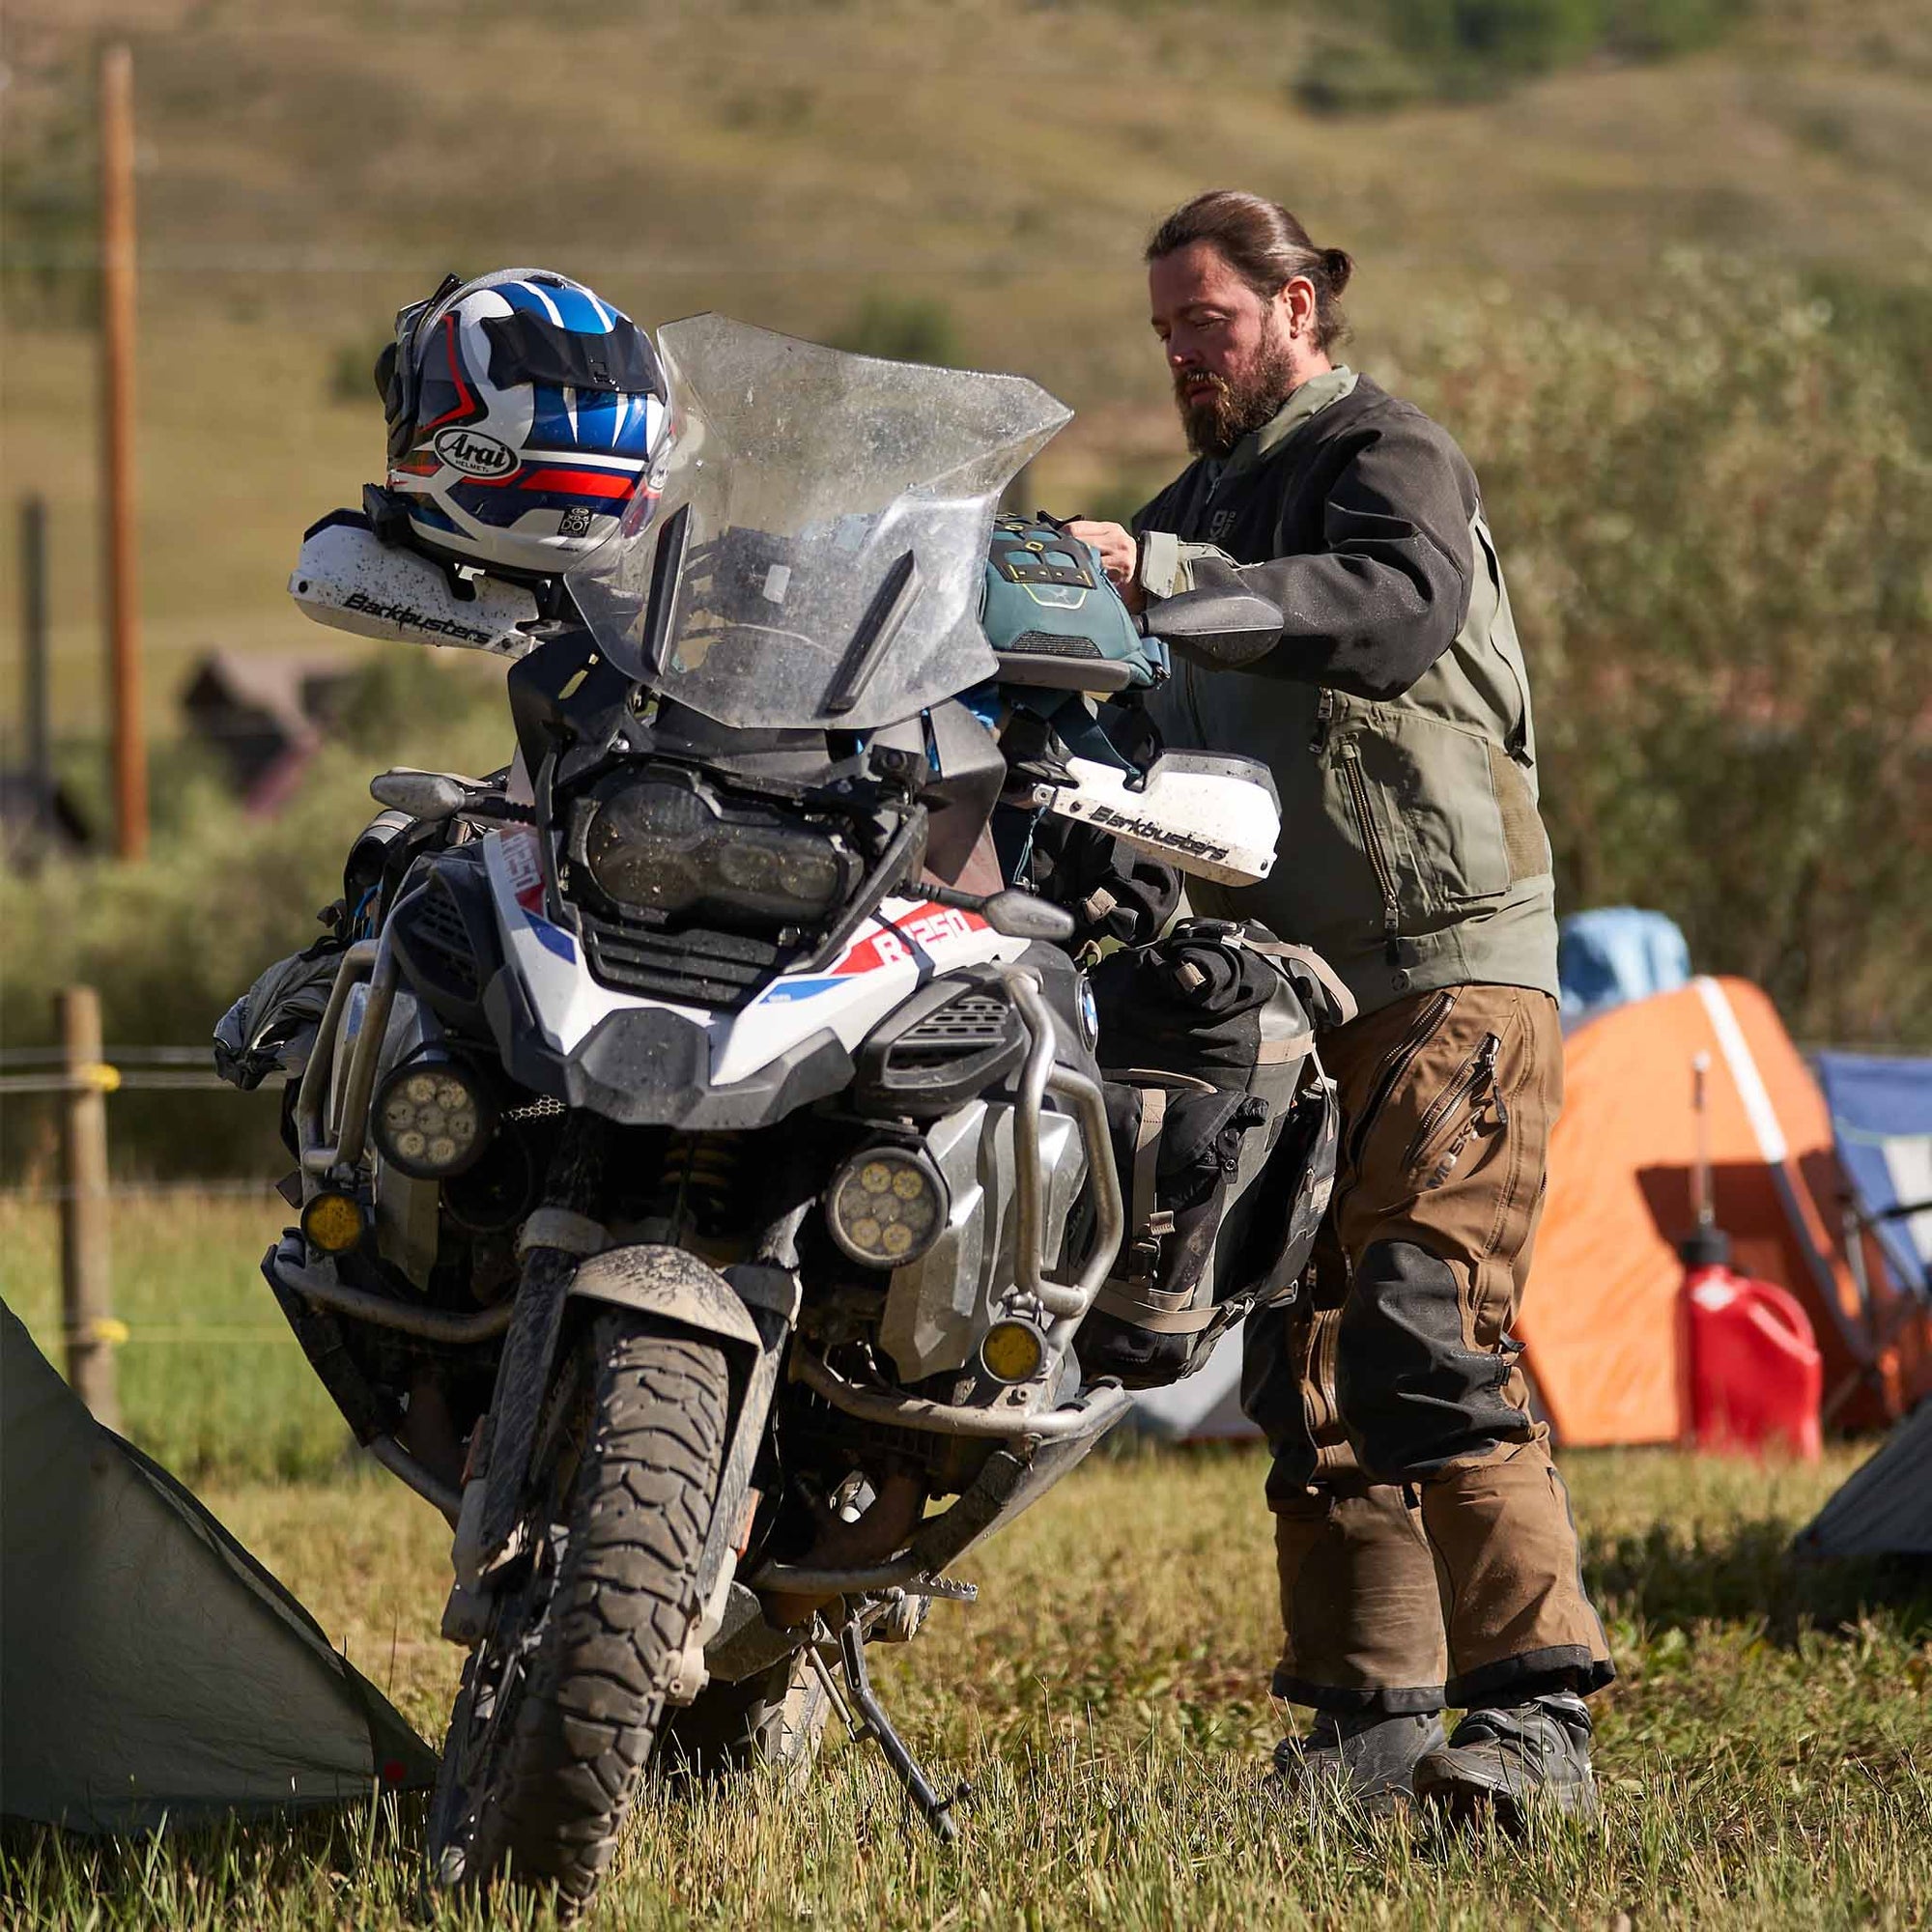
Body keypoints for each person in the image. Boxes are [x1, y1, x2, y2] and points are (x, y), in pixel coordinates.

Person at [1065, 190, 1613, 1828]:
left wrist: (1157, 576)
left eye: (1208, 321)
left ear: (1302, 305)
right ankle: (1371, 1733)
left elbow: (1394, 608)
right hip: (1285, 1003)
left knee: (1422, 1335)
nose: (1181, 353)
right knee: (1305, 1368)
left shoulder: (1386, 458)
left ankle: (1541, 1724)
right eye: (1164, 328)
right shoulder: (1196, 501)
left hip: (1448, 968)